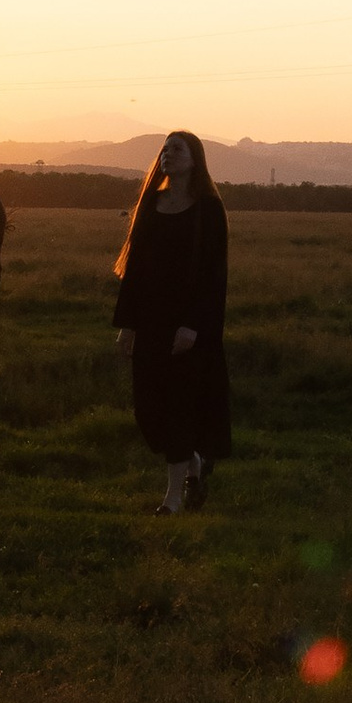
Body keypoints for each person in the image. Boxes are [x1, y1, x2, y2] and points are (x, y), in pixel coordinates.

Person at [112, 128, 232, 512]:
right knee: (150, 412)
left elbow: (215, 276)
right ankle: (194, 465)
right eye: (164, 149)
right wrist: (127, 325)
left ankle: (173, 499)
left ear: (195, 159)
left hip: (189, 327)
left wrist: (193, 325)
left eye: (177, 149)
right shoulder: (152, 204)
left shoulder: (209, 210)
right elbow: (134, 271)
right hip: (149, 322)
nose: (168, 154)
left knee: (179, 407)